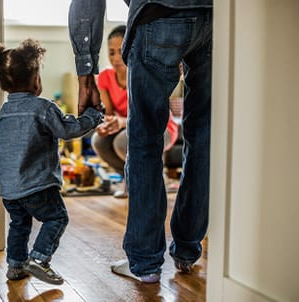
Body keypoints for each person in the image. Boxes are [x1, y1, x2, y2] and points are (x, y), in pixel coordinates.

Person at [69, 0, 212, 283]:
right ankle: (187, 252)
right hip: (215, 16)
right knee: (204, 136)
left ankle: (145, 262)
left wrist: (85, 76)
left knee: (145, 139)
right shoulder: (112, 77)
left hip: (159, 13)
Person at [0, 39, 103, 285]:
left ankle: (15, 266)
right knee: (56, 218)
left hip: (10, 191)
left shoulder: (1, 115)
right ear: (35, 80)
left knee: (19, 224)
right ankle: (39, 259)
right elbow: (68, 130)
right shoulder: (42, 108)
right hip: (38, 185)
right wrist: (92, 116)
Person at [91, 25, 178, 198]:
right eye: (111, 52)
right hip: (129, 126)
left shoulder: (143, 74)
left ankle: (155, 179)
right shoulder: (104, 78)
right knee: (98, 140)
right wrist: (105, 125)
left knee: (122, 142)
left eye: (121, 50)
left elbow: (147, 117)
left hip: (160, 128)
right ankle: (129, 181)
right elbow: (108, 113)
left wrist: (121, 122)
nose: (116, 58)